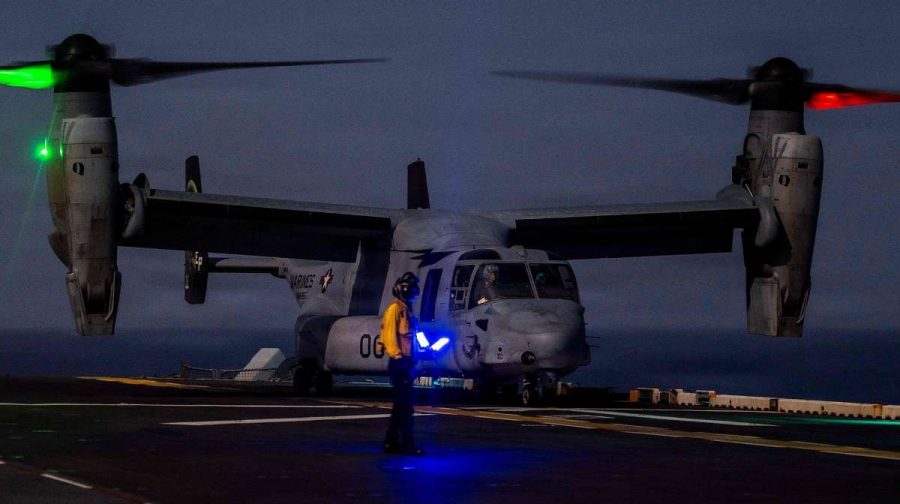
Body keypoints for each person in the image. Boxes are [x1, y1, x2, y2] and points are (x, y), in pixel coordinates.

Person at [381, 272, 423, 455]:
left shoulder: (408, 311)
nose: (415, 293)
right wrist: (398, 357)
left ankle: (392, 443)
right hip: (399, 364)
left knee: (401, 408)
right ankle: (405, 445)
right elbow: (389, 337)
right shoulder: (395, 310)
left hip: (406, 364)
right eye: (412, 289)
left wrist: (424, 352)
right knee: (404, 408)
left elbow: (414, 337)